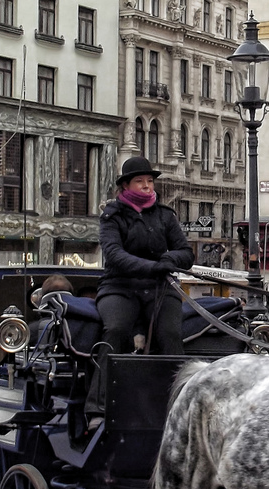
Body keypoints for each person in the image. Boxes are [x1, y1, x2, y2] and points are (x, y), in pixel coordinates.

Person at [85, 156, 194, 430]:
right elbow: (114, 254)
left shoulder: (165, 215)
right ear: (126, 186)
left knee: (170, 334)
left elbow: (186, 252)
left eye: (150, 181)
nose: (147, 186)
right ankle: (98, 406)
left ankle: (179, 403)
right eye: (140, 181)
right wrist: (154, 266)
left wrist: (172, 260)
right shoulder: (112, 216)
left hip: (160, 287)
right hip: (120, 286)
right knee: (116, 329)